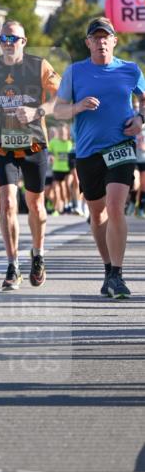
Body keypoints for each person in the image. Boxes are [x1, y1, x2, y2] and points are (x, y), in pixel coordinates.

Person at [54, 16, 145, 299]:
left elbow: (144, 100)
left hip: (120, 147)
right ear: (88, 43)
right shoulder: (74, 72)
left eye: (105, 37)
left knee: (116, 206)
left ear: (114, 41)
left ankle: (117, 274)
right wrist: (78, 106)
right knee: (97, 213)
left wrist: (140, 118)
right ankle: (108, 270)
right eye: (96, 38)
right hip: (87, 152)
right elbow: (58, 110)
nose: (101, 42)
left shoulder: (130, 70)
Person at [0, 19, 60, 291]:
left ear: (24, 41)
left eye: (13, 38)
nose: (7, 43)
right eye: (3, 38)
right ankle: (13, 265)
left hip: (34, 143)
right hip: (3, 143)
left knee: (35, 205)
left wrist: (37, 111)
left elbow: (60, 96)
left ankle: (38, 254)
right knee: (7, 202)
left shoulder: (39, 66)